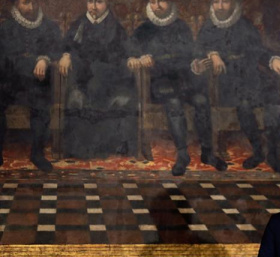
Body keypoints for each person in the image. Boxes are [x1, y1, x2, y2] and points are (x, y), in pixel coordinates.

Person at [127, 0, 227, 176]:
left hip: (184, 80)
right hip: (159, 82)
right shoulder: (143, 30)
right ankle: (182, 154)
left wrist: (196, 64)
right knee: (173, 103)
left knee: (202, 100)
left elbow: (193, 54)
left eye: (162, 1)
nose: (157, 6)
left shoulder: (182, 26)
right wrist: (140, 58)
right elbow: (130, 51)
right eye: (153, 2)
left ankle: (207, 152)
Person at [192, 0, 280, 173]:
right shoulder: (208, 26)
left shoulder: (244, 25)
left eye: (225, 2)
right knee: (244, 104)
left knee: (273, 98)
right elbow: (197, 50)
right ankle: (259, 151)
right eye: (216, 2)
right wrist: (211, 54)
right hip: (223, 82)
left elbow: (259, 50)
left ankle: (273, 154)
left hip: (249, 76)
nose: (220, 6)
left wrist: (273, 60)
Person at [58, 0, 137, 159]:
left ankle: (105, 148)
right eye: (90, 2)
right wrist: (66, 55)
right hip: (83, 77)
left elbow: (128, 50)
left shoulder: (114, 26)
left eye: (99, 2)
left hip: (108, 77)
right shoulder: (80, 23)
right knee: (78, 96)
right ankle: (79, 148)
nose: (94, 7)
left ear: (107, 4)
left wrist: (131, 58)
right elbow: (67, 45)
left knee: (99, 91)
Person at [0, 0, 62, 172]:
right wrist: (31, 62)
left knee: (41, 104)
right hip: (10, 82)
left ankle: (37, 153)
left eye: (34, 2)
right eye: (26, 3)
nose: (31, 7)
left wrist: (44, 59)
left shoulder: (49, 26)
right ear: (16, 4)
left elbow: (57, 48)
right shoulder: (6, 28)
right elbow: (5, 59)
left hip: (37, 82)